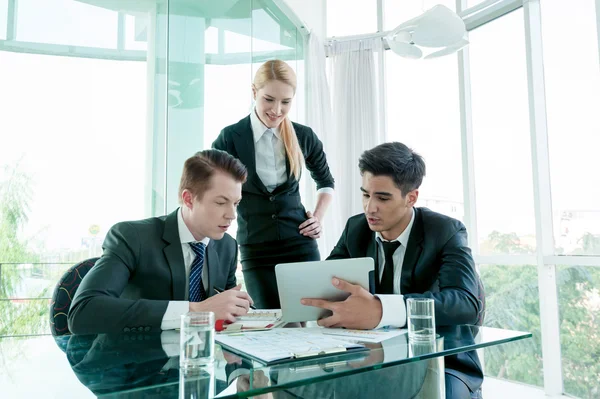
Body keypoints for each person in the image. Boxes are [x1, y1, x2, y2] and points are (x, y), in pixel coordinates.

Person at [301, 142, 484, 399]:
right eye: (366, 195)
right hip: (370, 357)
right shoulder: (356, 229)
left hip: (441, 360)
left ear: (411, 198)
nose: (369, 207)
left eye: (382, 198)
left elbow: (465, 303)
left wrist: (382, 309)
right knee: (301, 386)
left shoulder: (444, 231)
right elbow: (328, 283)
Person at [68, 149, 254, 335]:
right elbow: (83, 312)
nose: (232, 215)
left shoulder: (227, 246)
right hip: (135, 357)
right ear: (188, 199)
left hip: (201, 358)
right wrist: (195, 311)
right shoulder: (133, 237)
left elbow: (224, 314)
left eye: (236, 203)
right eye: (221, 203)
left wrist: (236, 307)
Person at [213, 59, 335, 309]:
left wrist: (318, 218)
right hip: (256, 248)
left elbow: (325, 182)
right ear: (254, 92)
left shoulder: (303, 136)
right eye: (269, 99)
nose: (277, 110)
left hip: (300, 243)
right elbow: (214, 188)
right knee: (272, 323)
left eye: (286, 102)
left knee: (314, 319)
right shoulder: (230, 138)